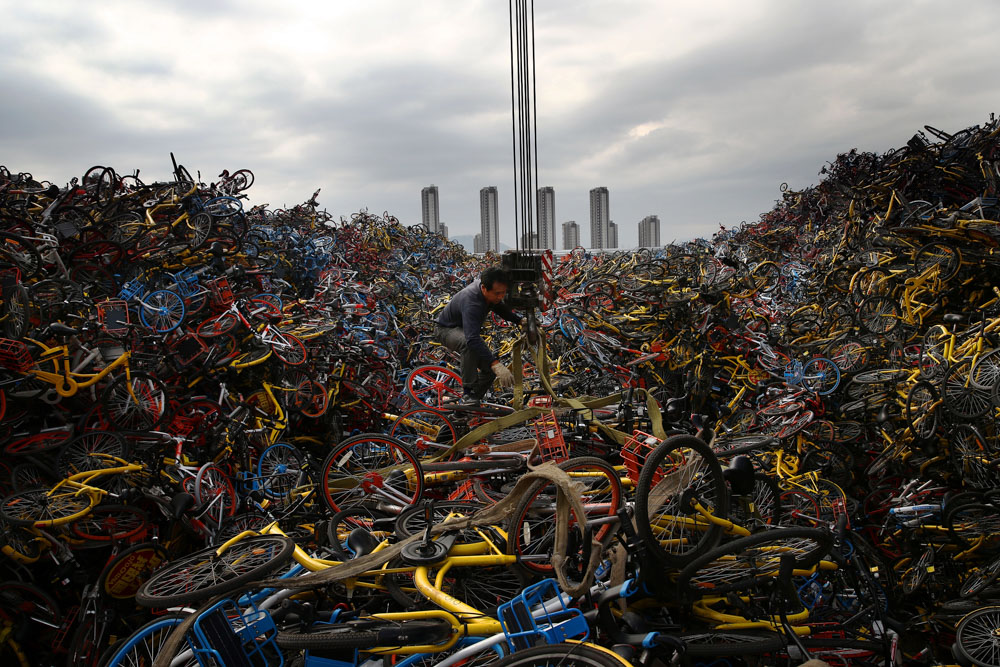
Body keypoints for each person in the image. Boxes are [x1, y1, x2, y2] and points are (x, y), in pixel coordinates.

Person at [434, 266, 522, 404]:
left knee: (490, 370)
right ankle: (468, 393)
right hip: (446, 330)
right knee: (468, 344)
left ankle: (473, 401)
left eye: (503, 293)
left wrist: (520, 320)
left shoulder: (490, 295)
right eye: (497, 293)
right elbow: (472, 339)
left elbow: (500, 308)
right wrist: (496, 363)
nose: (501, 297)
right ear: (484, 288)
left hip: (463, 329)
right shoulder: (472, 302)